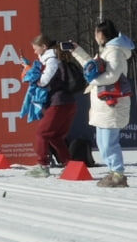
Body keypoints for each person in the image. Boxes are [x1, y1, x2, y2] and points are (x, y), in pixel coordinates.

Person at [69, 19, 132, 188]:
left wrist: (93, 79)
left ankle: (118, 174)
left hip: (113, 104)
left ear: (103, 34)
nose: (95, 36)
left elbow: (112, 75)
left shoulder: (115, 52)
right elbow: (91, 67)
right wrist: (77, 51)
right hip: (103, 105)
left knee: (109, 142)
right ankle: (114, 172)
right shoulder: (105, 51)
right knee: (103, 143)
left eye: (97, 32)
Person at [27, 35, 76, 177]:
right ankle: (69, 165)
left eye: (36, 49)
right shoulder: (54, 59)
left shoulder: (52, 60)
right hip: (67, 103)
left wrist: (32, 76)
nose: (35, 52)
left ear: (44, 47)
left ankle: (42, 166)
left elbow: (43, 81)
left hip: (58, 103)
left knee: (41, 134)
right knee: (55, 136)